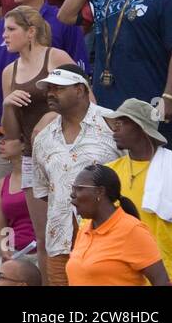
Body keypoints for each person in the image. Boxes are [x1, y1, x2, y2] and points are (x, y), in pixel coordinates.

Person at [58, 0, 172, 150]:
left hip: (149, 100)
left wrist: (169, 95)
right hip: (108, 102)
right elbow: (66, 15)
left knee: (157, 167)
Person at [104, 98, 172, 280]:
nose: (114, 129)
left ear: (141, 128)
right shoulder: (110, 172)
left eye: (121, 123)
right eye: (114, 124)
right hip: (123, 278)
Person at [31, 63, 118, 285]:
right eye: (49, 88)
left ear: (80, 90)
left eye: (58, 88)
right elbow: (43, 191)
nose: (50, 93)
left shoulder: (113, 123)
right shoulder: (43, 139)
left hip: (109, 237)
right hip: (60, 242)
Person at [66, 162, 170, 287]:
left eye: (79, 188)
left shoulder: (132, 230)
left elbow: (162, 281)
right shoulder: (84, 231)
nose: (72, 195)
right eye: (73, 188)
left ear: (100, 191)